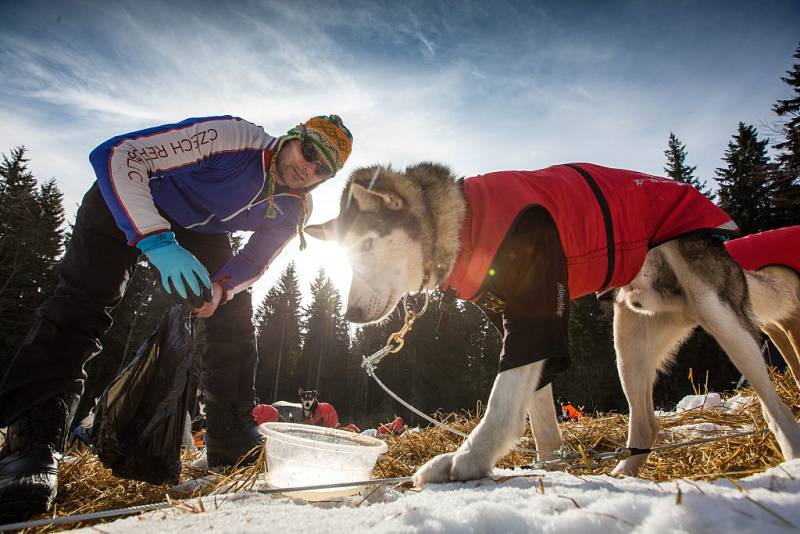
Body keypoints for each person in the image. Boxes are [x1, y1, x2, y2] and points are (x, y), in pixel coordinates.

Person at [0, 114, 353, 520]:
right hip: (129, 196)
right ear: (292, 138)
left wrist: (222, 288)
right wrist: (157, 241)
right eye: (308, 152)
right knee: (82, 304)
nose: (308, 168)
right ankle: (30, 444)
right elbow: (118, 155)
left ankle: (231, 435)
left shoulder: (294, 208)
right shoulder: (232, 139)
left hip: (199, 230)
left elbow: (256, 259)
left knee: (233, 316)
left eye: (322, 169)